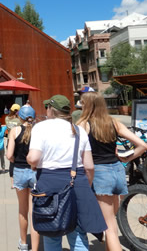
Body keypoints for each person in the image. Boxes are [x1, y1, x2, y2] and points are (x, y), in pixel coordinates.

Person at [27, 94, 106, 251]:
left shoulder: (40, 128)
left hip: (49, 182)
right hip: (77, 182)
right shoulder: (78, 130)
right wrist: (85, 185)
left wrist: (29, 160)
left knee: (51, 233)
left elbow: (34, 158)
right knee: (78, 235)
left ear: (51, 110)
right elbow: (89, 166)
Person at [77, 92, 147, 251]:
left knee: (109, 226)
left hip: (100, 174)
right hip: (117, 171)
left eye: (82, 103)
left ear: (87, 105)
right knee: (111, 220)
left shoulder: (83, 124)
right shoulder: (114, 123)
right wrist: (126, 158)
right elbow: (143, 146)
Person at [6, 105, 39, 251]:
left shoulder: (14, 130)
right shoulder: (38, 131)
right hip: (35, 171)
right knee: (35, 211)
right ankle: (36, 247)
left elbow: (8, 155)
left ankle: (24, 243)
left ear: (20, 117)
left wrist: (15, 161)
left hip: (19, 171)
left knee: (22, 210)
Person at [5, 103, 22, 187]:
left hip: (9, 140)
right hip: (18, 140)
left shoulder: (7, 118)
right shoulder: (19, 120)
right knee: (18, 159)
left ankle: (12, 182)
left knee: (11, 160)